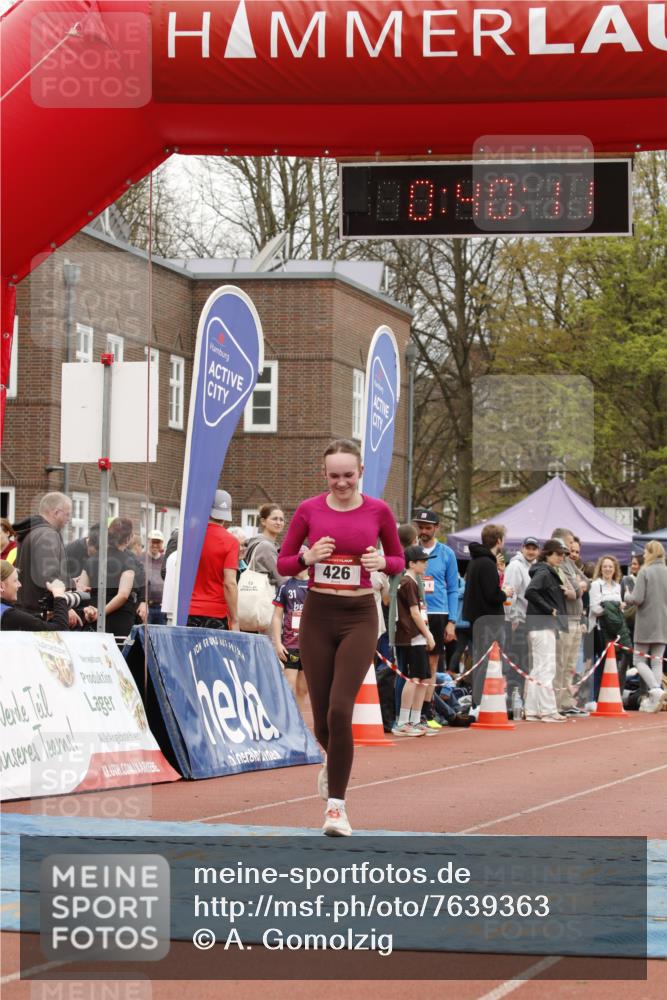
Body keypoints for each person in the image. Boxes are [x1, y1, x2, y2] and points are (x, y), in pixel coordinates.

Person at [277, 439, 404, 837]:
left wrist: (383, 562)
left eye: (348, 475)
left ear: (360, 472)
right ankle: (333, 765)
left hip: (360, 614)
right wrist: (307, 559)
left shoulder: (378, 511)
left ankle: (336, 808)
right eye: (334, 476)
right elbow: (283, 561)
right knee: (322, 719)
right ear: (324, 475)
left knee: (339, 710)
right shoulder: (309, 510)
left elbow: (399, 559)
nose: (341, 483)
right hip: (317, 614)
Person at [411, 509, 458, 728]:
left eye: (428, 527)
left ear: (437, 528)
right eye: (420, 527)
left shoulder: (446, 553)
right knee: (412, 663)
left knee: (431, 664)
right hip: (414, 612)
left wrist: (452, 621)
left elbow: (453, 589)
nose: (423, 531)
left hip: (438, 614)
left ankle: (427, 711)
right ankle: (409, 712)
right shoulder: (411, 552)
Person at [462, 523, 514, 710]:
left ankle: (479, 700)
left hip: (476, 618)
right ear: (499, 540)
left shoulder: (476, 560)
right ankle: (481, 701)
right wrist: (505, 592)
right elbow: (492, 594)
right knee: (486, 662)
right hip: (488, 619)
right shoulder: (486, 563)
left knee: (480, 660)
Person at [392, 545, 437, 738]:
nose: (426, 564)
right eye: (423, 561)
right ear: (412, 563)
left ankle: (415, 719)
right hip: (411, 636)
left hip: (416, 637)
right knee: (414, 678)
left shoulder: (413, 581)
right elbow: (414, 613)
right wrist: (428, 634)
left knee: (422, 677)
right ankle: (403, 721)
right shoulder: (408, 582)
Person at [523, 539, 570, 723]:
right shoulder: (544, 572)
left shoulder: (544, 571)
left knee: (538, 669)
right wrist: (549, 608)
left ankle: (533, 709)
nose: (561, 558)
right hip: (543, 625)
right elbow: (530, 591)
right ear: (548, 553)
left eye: (563, 554)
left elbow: (533, 592)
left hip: (540, 625)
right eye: (558, 554)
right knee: (546, 668)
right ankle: (548, 710)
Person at [13, 492, 75, 618]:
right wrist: (64, 607)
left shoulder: (31, 532)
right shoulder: (47, 535)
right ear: (56, 513)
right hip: (43, 612)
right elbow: (49, 576)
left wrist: (71, 582)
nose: (69, 519)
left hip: (28, 608)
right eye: (67, 514)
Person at [79, 517, 140, 641]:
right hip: (118, 620)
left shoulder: (92, 560)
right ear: (128, 538)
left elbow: (81, 591)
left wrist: (91, 611)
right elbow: (123, 595)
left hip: (93, 617)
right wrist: (100, 613)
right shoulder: (127, 561)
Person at [187, 490, 239, 631]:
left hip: (187, 611)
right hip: (215, 614)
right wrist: (234, 620)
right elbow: (230, 583)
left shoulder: (188, 536)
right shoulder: (231, 541)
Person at [624, 541, 667, 711]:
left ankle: (655, 691)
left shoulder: (645, 572)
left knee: (638, 660)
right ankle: (656, 697)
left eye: (645, 552)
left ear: (651, 553)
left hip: (646, 623)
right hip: (663, 622)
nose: (643, 555)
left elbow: (637, 599)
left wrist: (627, 596)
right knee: (657, 662)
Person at [551, 528, 589, 717]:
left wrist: (577, 586)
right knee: (560, 662)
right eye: (568, 543)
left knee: (570, 664)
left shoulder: (569, 563)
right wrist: (577, 586)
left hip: (576, 618)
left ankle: (566, 701)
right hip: (565, 618)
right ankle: (556, 703)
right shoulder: (559, 565)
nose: (570, 549)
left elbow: (584, 581)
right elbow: (572, 588)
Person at [589, 554, 632, 700]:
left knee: (614, 663)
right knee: (600, 663)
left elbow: (620, 609)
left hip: (616, 631)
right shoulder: (596, 585)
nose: (608, 569)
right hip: (600, 629)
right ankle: (594, 697)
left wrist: (618, 607)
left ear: (615, 570)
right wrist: (611, 608)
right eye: (605, 566)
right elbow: (595, 608)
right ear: (600, 568)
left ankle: (609, 696)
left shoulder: (617, 586)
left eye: (610, 567)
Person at [271, 558, 310, 716]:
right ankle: (287, 721)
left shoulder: (315, 586)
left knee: (303, 689)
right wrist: (278, 643)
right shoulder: (285, 586)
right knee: (289, 685)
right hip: (291, 644)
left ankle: (299, 723)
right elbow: (277, 617)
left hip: (310, 646)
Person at [503, 537, 541, 699]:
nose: (531, 551)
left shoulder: (535, 567)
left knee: (525, 663)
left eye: (534, 548)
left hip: (530, 621)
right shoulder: (515, 566)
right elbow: (510, 592)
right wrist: (512, 617)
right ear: (522, 548)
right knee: (517, 662)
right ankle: (514, 698)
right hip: (518, 621)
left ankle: (521, 698)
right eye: (528, 548)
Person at [0, 559, 71, 631]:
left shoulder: (7, 615)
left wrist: (42, 616)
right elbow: (61, 631)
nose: (20, 585)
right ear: (1, 586)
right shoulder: (9, 616)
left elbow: (21, 620)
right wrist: (59, 594)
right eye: (15, 581)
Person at [244, 504, 287, 591]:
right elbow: (281, 578)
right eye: (274, 519)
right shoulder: (265, 546)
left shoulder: (267, 544)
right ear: (263, 521)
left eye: (281, 520)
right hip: (266, 597)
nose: (278, 523)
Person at [145, 529, 167, 624]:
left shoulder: (166, 559)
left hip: (162, 607)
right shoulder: (141, 558)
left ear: (162, 543)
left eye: (158, 542)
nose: (155, 545)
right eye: (153, 542)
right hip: (146, 607)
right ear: (148, 541)